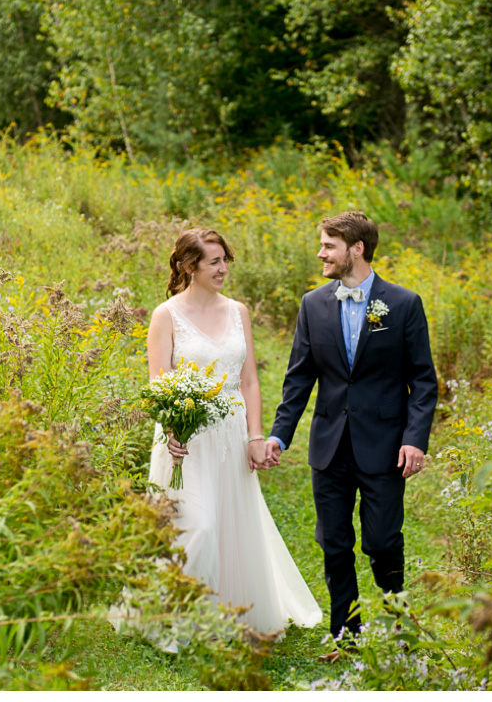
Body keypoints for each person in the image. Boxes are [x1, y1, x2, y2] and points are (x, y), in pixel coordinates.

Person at [265, 211, 438, 659]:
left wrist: (415, 439)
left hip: (383, 446)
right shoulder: (312, 304)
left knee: (381, 541)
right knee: (334, 542)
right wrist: (279, 436)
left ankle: (400, 627)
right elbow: (299, 379)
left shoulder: (402, 304)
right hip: (329, 445)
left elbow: (423, 381)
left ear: (356, 249)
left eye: (329, 245)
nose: (321, 253)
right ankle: (347, 635)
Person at [142, 228, 321, 637]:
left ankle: (224, 614)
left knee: (230, 527)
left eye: (225, 260)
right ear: (190, 267)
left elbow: (249, 382)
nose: (224, 268)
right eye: (214, 262)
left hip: (231, 434)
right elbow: (159, 383)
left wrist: (255, 437)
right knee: (196, 526)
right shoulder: (165, 315)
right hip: (183, 439)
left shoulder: (238, 311)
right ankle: (171, 620)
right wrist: (173, 430)